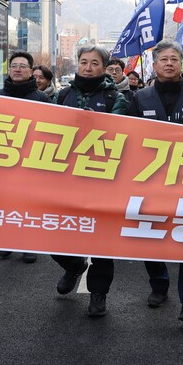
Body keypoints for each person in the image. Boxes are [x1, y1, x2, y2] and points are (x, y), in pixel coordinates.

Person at [125, 39, 183, 322]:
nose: (169, 63)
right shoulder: (140, 98)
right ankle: (159, 282)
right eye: (163, 59)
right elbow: (127, 137)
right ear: (154, 65)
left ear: (181, 64)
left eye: (173, 59)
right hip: (149, 181)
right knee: (151, 235)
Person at [54, 45, 128, 317]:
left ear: (104, 67)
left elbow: (118, 132)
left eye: (94, 63)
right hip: (65, 177)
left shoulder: (115, 97)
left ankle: (99, 294)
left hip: (102, 178)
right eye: (83, 62)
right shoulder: (64, 94)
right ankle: (73, 266)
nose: (87, 67)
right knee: (55, 235)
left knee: (101, 241)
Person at [0, 52, 50, 263]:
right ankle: (6, 241)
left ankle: (28, 244)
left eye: (22, 66)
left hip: (31, 159)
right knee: (4, 203)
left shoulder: (42, 98)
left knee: (28, 204)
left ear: (30, 71)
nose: (17, 69)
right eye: (14, 65)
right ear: (9, 70)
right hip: (2, 158)